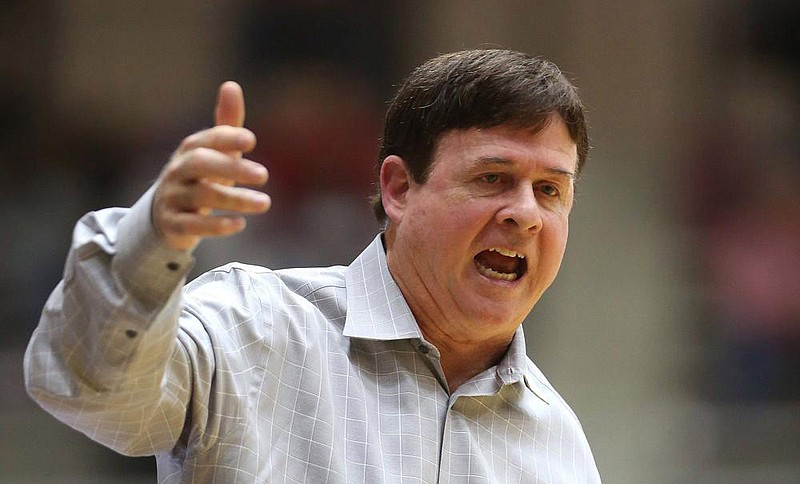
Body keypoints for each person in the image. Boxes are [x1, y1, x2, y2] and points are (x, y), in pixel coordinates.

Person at [24, 49, 601, 483]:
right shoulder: (252, 325)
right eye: (492, 178)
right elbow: (91, 393)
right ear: (399, 189)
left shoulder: (559, 445)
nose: (525, 214)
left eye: (550, 190)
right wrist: (148, 241)